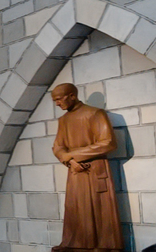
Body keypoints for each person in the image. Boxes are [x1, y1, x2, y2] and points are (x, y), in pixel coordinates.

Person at [51, 82, 123, 252]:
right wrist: (70, 161)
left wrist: (73, 155)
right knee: (76, 207)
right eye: (55, 101)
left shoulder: (95, 113)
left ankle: (103, 245)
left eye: (59, 99)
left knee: (99, 207)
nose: (57, 104)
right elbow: (58, 146)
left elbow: (108, 142)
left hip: (95, 168)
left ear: (72, 96)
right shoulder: (63, 120)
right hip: (75, 170)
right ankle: (75, 244)